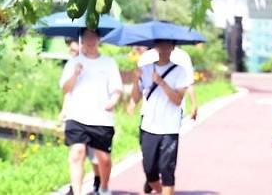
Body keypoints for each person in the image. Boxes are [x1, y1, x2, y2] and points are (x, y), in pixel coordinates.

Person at [59, 29, 123, 195]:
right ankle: (78, 192)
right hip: (77, 116)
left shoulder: (109, 63)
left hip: (101, 118)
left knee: (104, 159)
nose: (90, 40)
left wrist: (112, 102)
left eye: (93, 36)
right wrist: (75, 74)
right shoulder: (73, 63)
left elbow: (117, 89)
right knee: (76, 153)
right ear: (82, 39)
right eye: (87, 37)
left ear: (99, 39)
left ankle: (104, 187)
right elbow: (65, 89)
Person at [130, 39, 191, 195]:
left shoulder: (180, 71)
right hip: (149, 126)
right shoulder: (145, 69)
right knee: (150, 171)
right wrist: (135, 81)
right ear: (155, 47)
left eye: (167, 45)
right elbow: (135, 98)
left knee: (167, 170)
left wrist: (162, 83)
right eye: (160, 45)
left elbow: (178, 100)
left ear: (173, 47)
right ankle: (160, 190)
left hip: (169, 128)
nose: (164, 49)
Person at [60, 38, 101, 194]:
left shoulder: (98, 64)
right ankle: (75, 187)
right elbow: (68, 91)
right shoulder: (72, 66)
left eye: (75, 50)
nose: (73, 53)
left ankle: (98, 179)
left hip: (96, 118)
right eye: (71, 51)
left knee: (95, 156)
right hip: (75, 117)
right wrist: (64, 110)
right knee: (77, 153)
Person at [133, 46, 198, 120]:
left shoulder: (182, 56)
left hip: (173, 115)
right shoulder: (146, 57)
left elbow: (189, 83)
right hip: (149, 116)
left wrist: (194, 104)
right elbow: (140, 87)